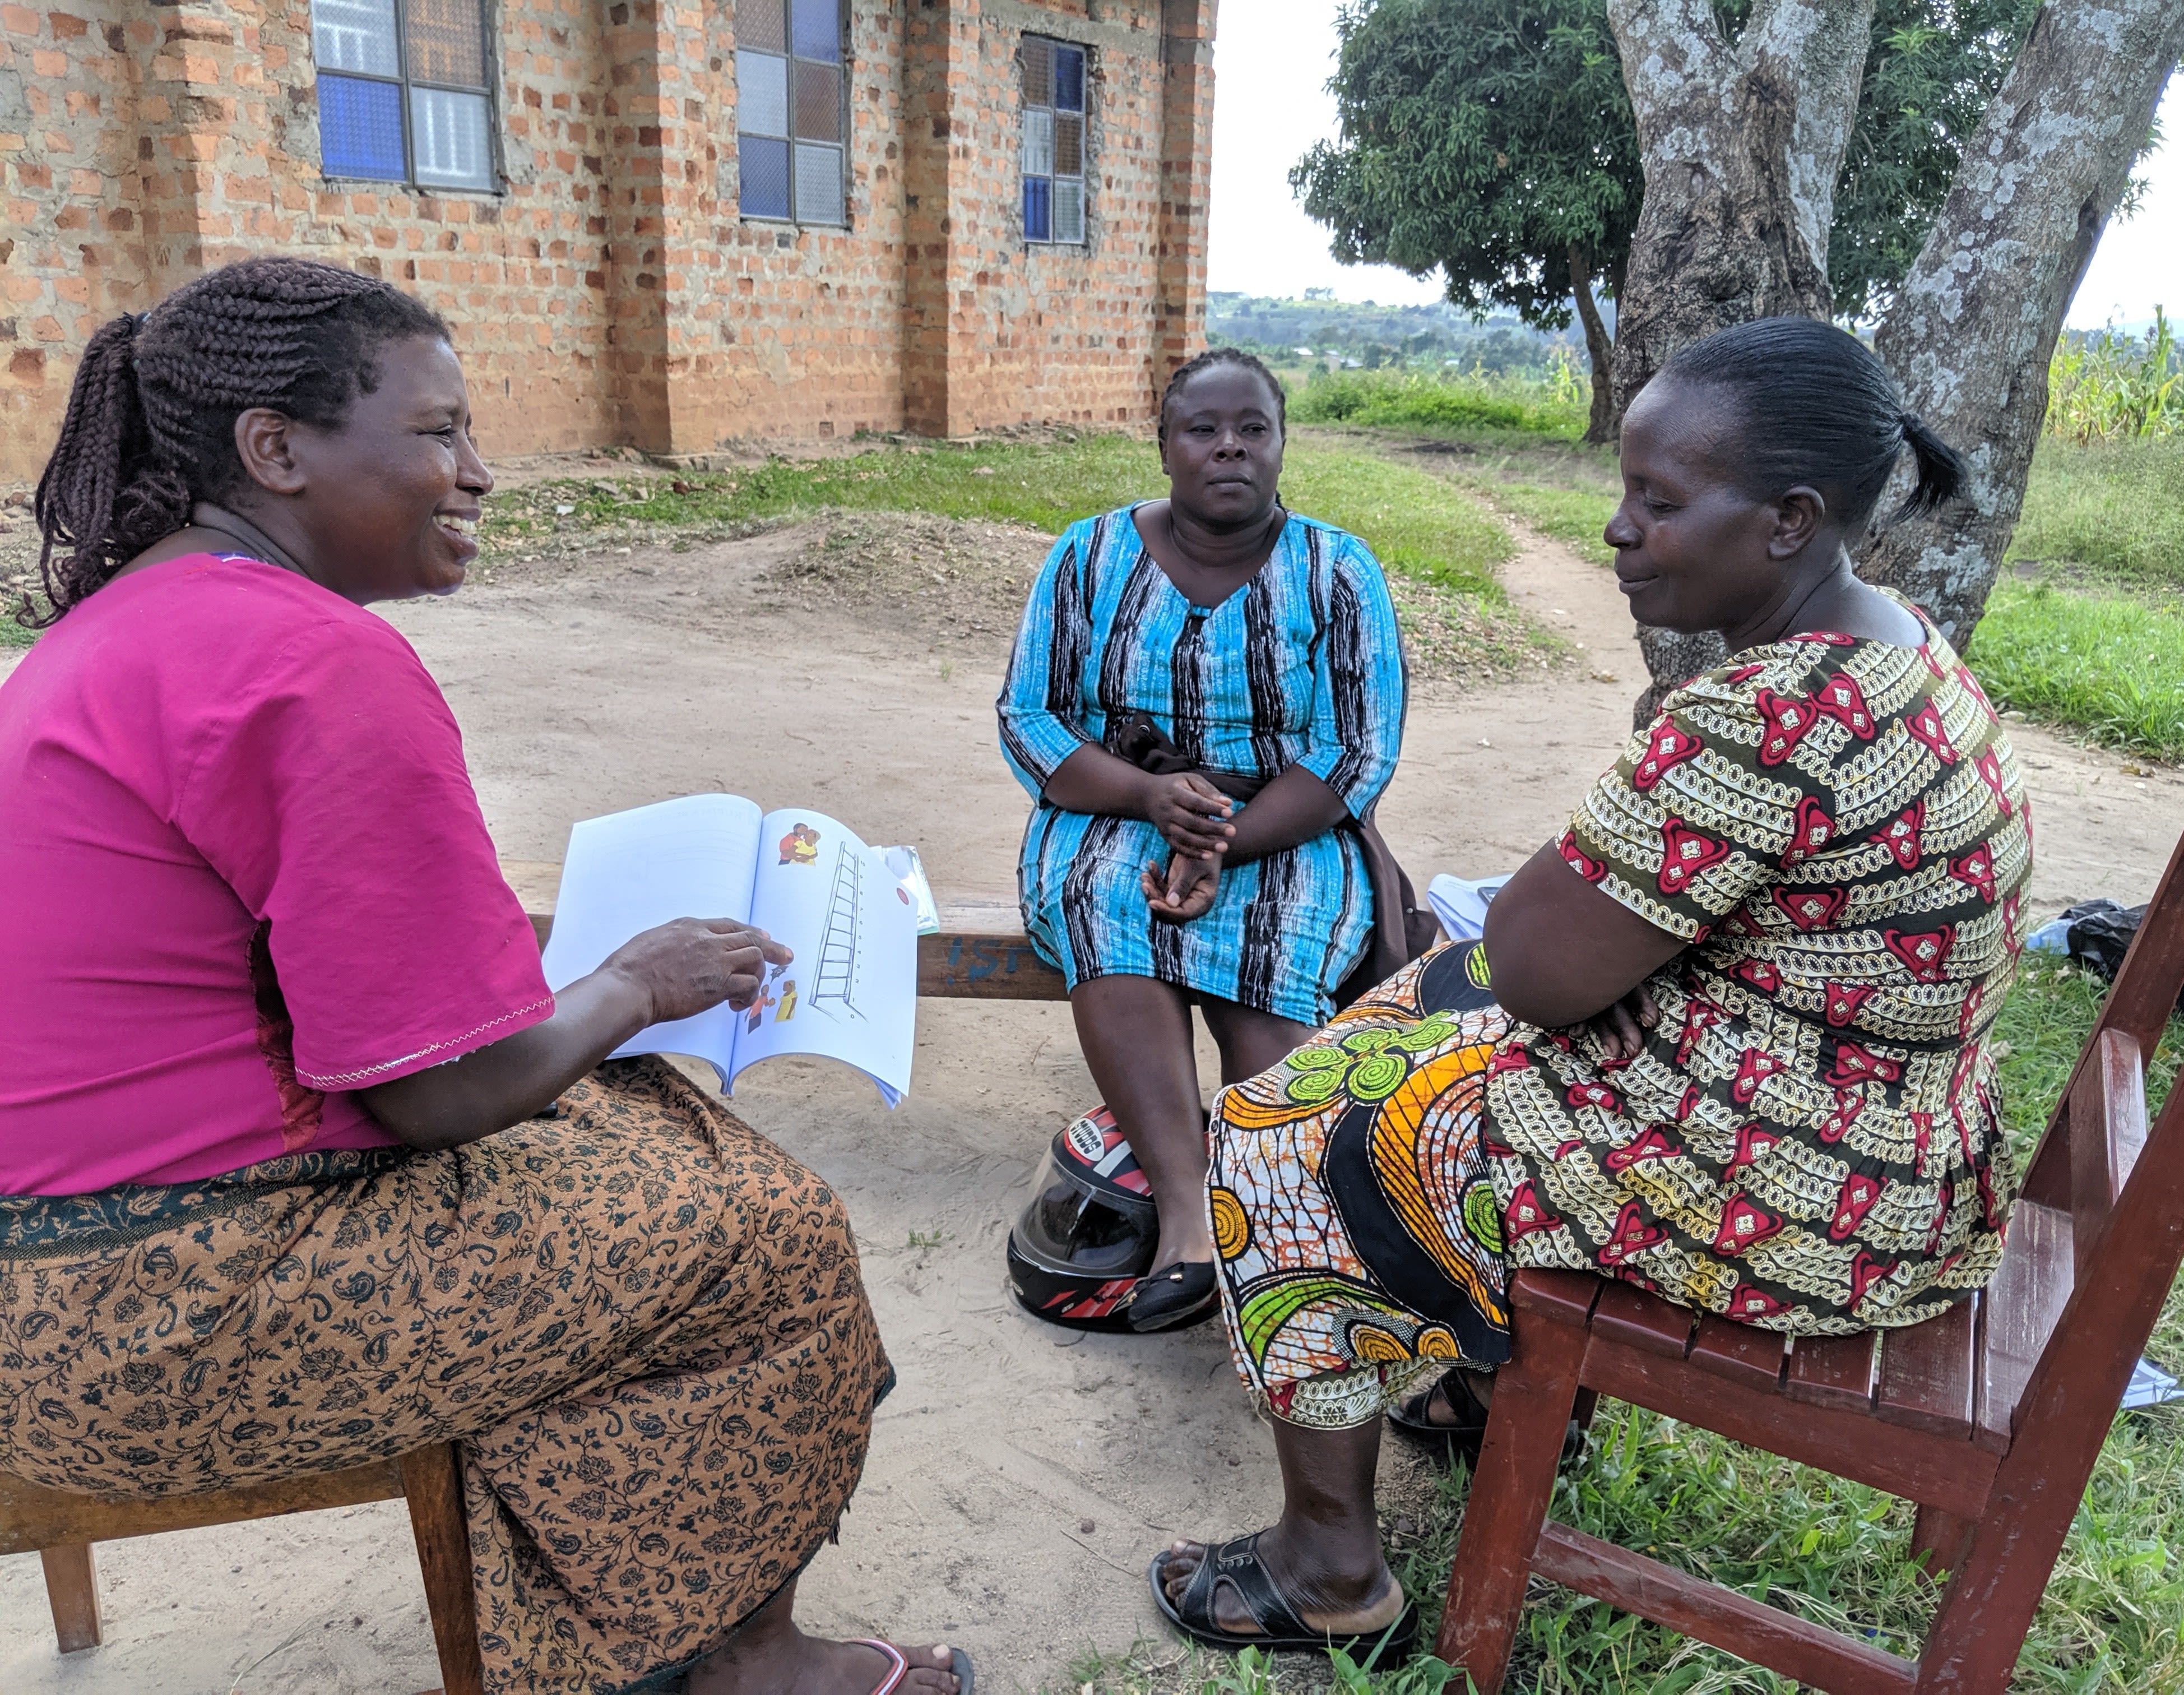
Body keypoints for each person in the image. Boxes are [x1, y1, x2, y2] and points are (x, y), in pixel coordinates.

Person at [0, 259, 967, 1695]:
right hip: (151, 1314)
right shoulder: (311, 660)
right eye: (440, 433)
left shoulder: (119, 626)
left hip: (63, 1258)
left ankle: (628, 1625)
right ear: (277, 452)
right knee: (765, 1233)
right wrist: (642, 976)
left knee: (632, 1138)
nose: (481, 474)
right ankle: (743, 1660)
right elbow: (445, 1097)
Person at [1152, 318, 2032, 1659]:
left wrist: (1564, 869)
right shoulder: (1896, 640)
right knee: (1420, 1002)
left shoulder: (1777, 716)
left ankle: (1329, 1567)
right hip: (1899, 1144)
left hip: (1803, 1194)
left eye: (1660, 503)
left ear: (1790, 520)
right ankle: (1473, 1381)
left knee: (1282, 1134)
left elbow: (1550, 970)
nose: (1619, 530)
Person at [996, 349, 1409, 1332]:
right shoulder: (1088, 555)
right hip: (1116, 804)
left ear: (1280, 444)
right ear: (1166, 446)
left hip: (1288, 816)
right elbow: (1031, 716)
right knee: (1106, 902)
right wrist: (1149, 801)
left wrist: (1227, 837)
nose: (1229, 446)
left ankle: (1277, 1217)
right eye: (1203, 429)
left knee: (1279, 934)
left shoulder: (1338, 569)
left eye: (1252, 429)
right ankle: (1189, 1218)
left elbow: (1358, 747)